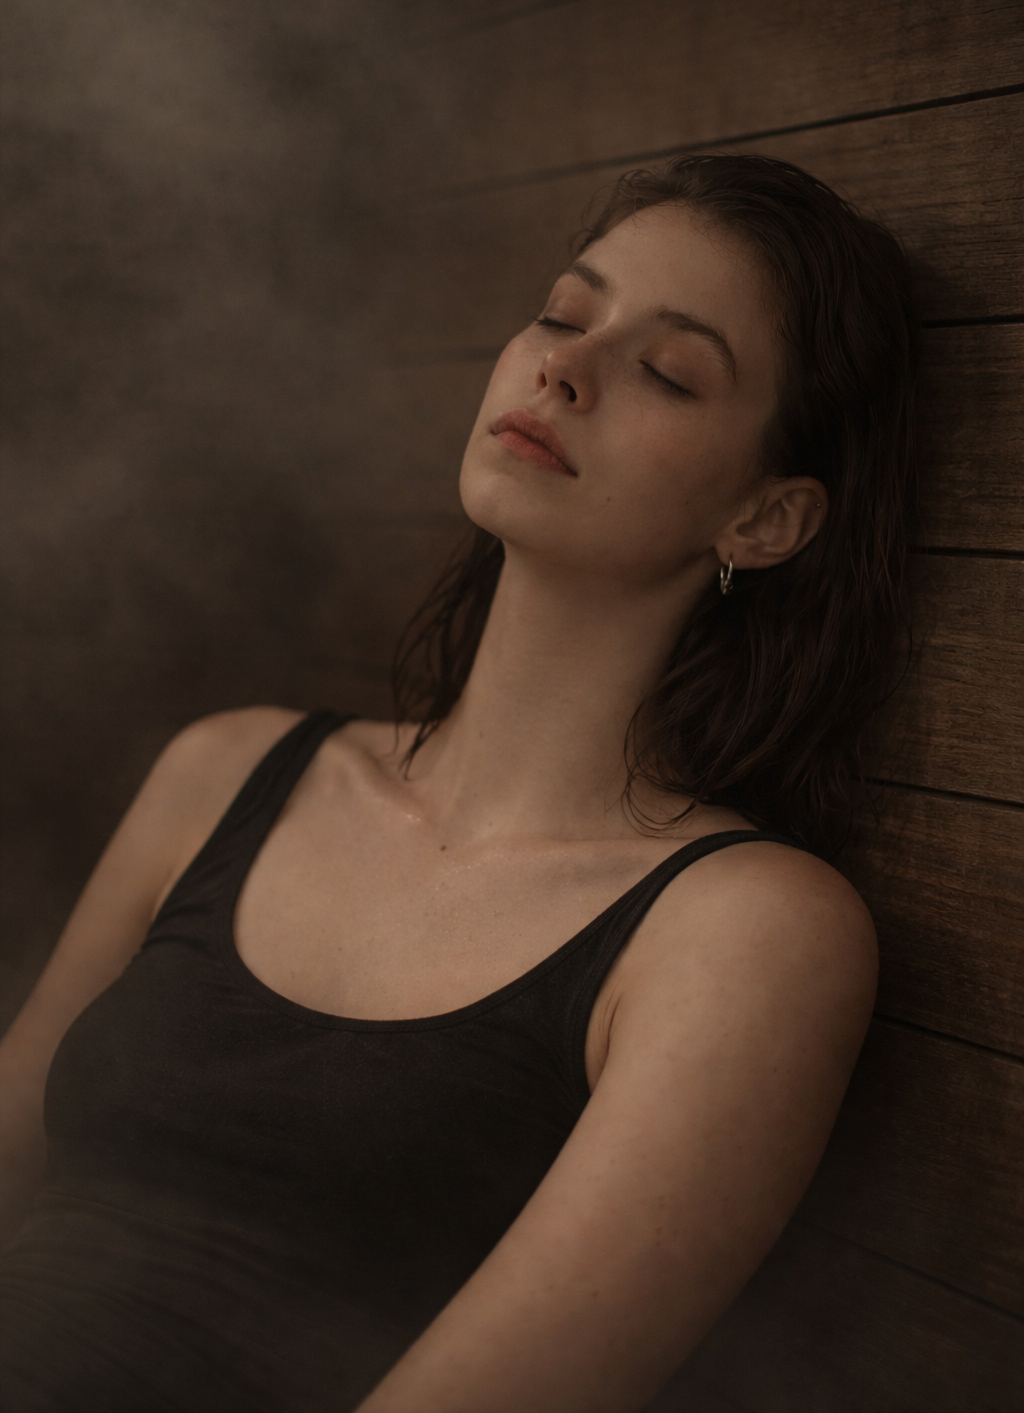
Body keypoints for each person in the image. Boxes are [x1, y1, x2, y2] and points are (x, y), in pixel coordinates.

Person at [0, 154, 916, 1413]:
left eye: (666, 369)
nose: (562, 367)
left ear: (764, 520)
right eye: (560, 312)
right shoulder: (224, 769)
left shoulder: (747, 934)